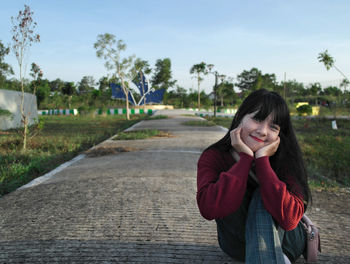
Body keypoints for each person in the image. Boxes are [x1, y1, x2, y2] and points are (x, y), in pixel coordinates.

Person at [197, 89, 311, 263]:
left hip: (288, 241)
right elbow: (208, 209)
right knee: (249, 193)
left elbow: (289, 220)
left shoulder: (287, 160)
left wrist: (263, 162)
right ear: (240, 117)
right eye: (257, 119)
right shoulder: (214, 156)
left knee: (263, 193)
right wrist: (245, 159)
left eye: (273, 127)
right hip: (237, 243)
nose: (263, 131)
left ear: (280, 134)